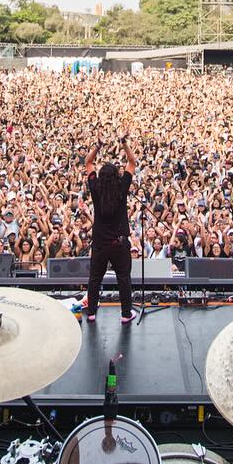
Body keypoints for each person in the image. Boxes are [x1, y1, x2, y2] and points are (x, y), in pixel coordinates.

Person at [84, 135, 137, 324]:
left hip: (99, 243)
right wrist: (124, 144)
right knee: (124, 278)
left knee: (95, 278)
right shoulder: (122, 187)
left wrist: (98, 146)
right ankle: (125, 314)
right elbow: (132, 162)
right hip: (119, 242)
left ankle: (91, 312)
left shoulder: (95, 187)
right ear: (117, 176)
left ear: (100, 177)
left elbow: (88, 162)